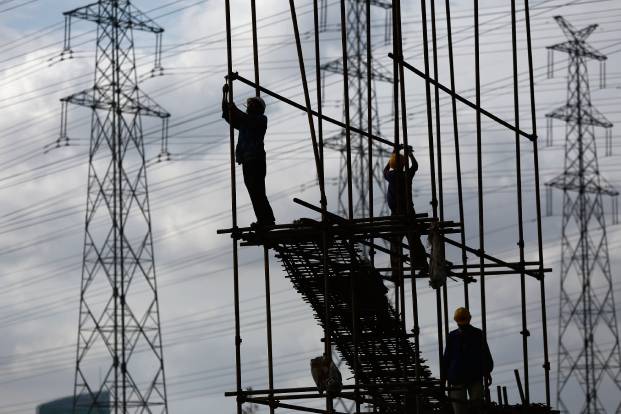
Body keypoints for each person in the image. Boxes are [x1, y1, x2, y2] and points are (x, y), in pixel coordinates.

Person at [222, 83, 275, 227]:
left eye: (252, 104)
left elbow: (243, 117)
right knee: (253, 190)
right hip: (247, 160)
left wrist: (233, 107)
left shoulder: (260, 120)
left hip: (256, 159)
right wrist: (225, 96)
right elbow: (228, 115)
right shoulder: (245, 121)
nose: (249, 106)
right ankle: (263, 220)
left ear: (258, 108)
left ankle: (267, 219)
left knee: (257, 189)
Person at [383, 148, 428, 278]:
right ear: (403, 164)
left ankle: (396, 271)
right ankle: (422, 266)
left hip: (396, 215)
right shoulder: (406, 175)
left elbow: (385, 171)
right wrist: (410, 155)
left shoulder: (391, 176)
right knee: (414, 241)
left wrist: (393, 154)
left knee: (395, 243)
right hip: (409, 213)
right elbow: (415, 166)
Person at [442, 307, 494, 414]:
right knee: (465, 408)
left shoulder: (476, 334)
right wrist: (487, 371)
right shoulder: (454, 336)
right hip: (461, 377)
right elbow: (447, 358)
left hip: (470, 376)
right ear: (469, 318)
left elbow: (484, 354)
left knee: (474, 407)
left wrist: (487, 371)